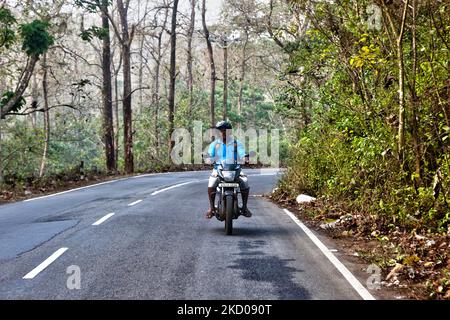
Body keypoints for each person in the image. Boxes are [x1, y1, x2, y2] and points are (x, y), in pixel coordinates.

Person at [205, 121, 252, 219]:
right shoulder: (214, 144)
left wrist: (245, 159)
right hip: (218, 169)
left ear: (229, 132)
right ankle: (212, 208)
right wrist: (208, 159)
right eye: (220, 131)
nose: (222, 133)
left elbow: (243, 155)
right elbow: (210, 156)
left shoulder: (237, 144)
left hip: (235, 169)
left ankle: (244, 207)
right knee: (211, 183)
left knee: (245, 182)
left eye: (224, 131)